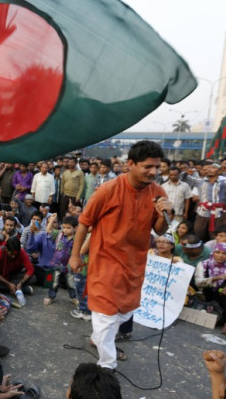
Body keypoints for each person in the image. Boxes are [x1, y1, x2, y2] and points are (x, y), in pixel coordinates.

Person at [70, 140, 172, 369]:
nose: (154, 172)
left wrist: (167, 213)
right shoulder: (108, 190)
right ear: (131, 164)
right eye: (148, 166)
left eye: (157, 167)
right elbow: (84, 223)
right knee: (105, 314)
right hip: (105, 261)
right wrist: (75, 255)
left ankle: (99, 338)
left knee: (124, 311)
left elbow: (159, 230)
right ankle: (107, 364)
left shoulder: (158, 192)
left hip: (134, 263)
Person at [194, 243, 226, 323]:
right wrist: (215, 278)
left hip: (223, 299)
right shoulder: (203, 265)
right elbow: (198, 283)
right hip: (205, 297)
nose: (221, 256)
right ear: (213, 253)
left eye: (225, 254)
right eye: (217, 252)